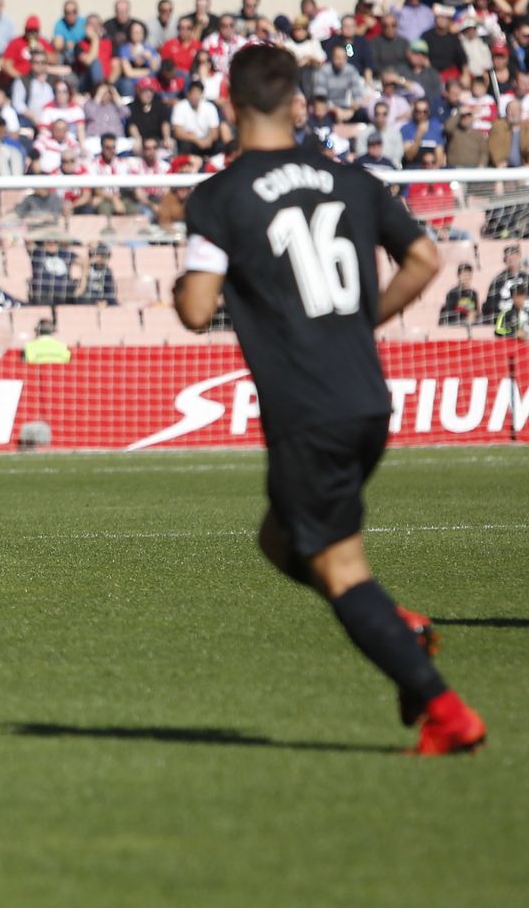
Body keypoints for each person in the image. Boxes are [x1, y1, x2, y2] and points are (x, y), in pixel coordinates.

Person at [173, 42, 483, 755]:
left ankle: (443, 709)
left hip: (308, 408)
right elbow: (425, 257)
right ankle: (396, 628)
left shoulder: (220, 195)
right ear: (298, 105)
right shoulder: (353, 180)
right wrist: (361, 321)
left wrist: (183, 267)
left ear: (231, 107)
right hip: (367, 398)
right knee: (280, 540)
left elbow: (195, 310)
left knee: (340, 570)